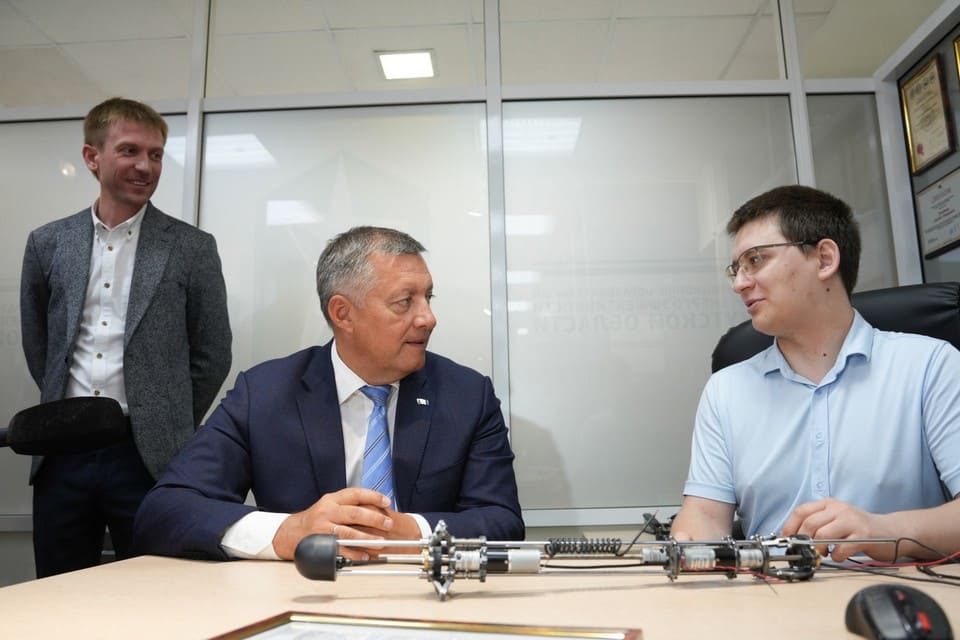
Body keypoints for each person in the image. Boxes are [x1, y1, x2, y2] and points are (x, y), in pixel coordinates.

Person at [132, 225, 524, 562]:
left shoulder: (467, 395)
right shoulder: (265, 394)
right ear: (342, 313)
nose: (428, 318)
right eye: (405, 302)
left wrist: (409, 532)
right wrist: (288, 532)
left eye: (428, 298)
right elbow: (164, 512)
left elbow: (502, 521)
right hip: (303, 598)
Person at [670, 185, 960, 562]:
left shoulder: (930, 366)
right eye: (736, 269)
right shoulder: (726, 390)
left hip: (897, 590)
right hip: (773, 590)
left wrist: (884, 531)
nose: (739, 283)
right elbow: (706, 515)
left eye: (755, 260)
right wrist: (689, 546)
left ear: (824, 259)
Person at [20, 97, 232, 577]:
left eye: (155, 155)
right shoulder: (48, 243)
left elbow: (213, 353)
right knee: (58, 589)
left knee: (155, 589)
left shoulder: (191, 247)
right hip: (62, 452)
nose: (145, 166)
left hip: (149, 457)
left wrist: (167, 419)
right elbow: (41, 346)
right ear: (92, 157)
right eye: (130, 151)